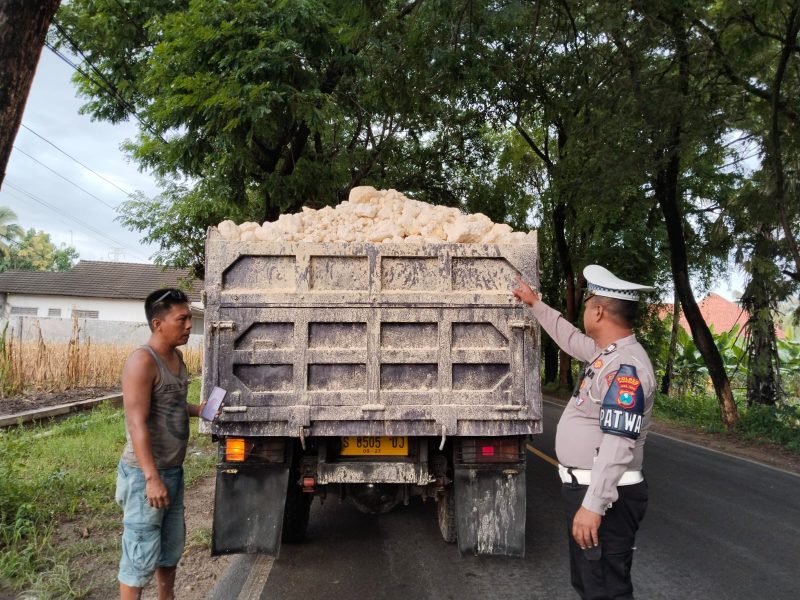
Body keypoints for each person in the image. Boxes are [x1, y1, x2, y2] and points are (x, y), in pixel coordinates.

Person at [513, 265, 655, 600]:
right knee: (591, 584)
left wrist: (594, 505)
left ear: (599, 311)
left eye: (589, 303)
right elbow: (570, 338)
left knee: (605, 588)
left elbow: (618, 443)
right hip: (593, 490)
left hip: (607, 496)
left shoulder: (626, 369)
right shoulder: (607, 354)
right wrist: (535, 304)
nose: (586, 310)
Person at [116, 288, 206, 600]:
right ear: (157, 324)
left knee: (169, 549)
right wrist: (151, 477)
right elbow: (136, 423)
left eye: (189, 318)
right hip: (145, 476)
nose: (189, 325)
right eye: (182, 319)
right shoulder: (143, 361)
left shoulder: (177, 358)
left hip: (172, 471)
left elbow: (173, 404)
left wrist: (199, 410)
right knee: (139, 554)